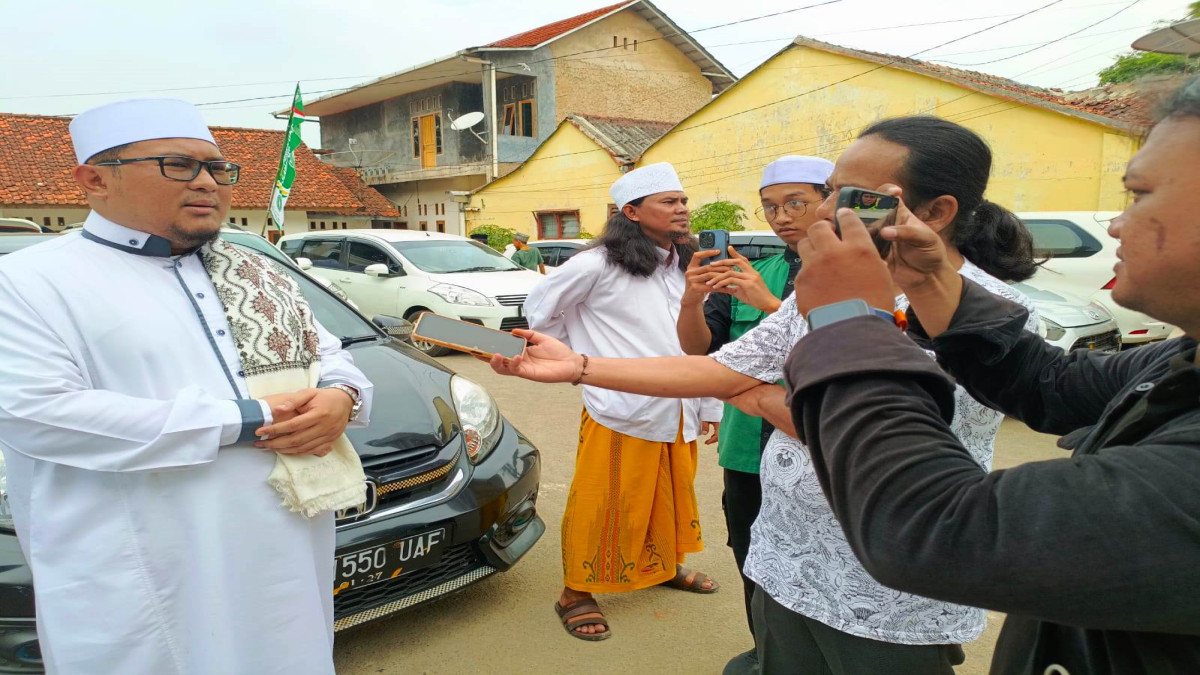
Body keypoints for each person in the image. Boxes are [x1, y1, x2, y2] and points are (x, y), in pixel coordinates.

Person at [492, 117, 1039, 673]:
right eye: (826, 194)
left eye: (846, 198)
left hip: (884, 576)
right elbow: (720, 365)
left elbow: (863, 429)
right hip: (786, 558)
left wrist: (749, 396)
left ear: (937, 212)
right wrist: (578, 365)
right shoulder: (823, 287)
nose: (821, 214)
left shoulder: (989, 315)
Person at [777, 78, 1200, 675]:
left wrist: (848, 322)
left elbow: (935, 526)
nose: (1115, 226)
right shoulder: (1180, 363)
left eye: (1140, 194)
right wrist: (926, 282)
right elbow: (1052, 385)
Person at [0, 98, 374, 674]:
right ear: (94, 179)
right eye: (178, 165)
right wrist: (244, 419)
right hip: (145, 561)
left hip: (286, 551)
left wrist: (341, 398)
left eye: (218, 169)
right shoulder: (27, 282)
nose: (208, 183)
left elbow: (330, 355)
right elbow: (37, 413)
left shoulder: (255, 272)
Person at [523, 162, 723, 641]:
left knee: (670, 497)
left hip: (679, 406)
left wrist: (709, 403)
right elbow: (539, 311)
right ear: (631, 212)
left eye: (683, 200)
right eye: (669, 202)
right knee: (605, 501)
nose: (682, 209)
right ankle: (576, 591)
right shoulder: (597, 263)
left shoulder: (685, 262)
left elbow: (698, 342)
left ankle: (662, 565)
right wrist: (578, 365)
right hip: (621, 406)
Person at [675, 155, 833, 674]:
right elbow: (700, 353)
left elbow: (844, 347)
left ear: (832, 201)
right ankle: (766, 649)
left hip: (821, 446)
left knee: (822, 556)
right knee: (751, 551)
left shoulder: (852, 277)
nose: (781, 217)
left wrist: (771, 306)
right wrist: (692, 302)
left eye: (796, 203)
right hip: (747, 445)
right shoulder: (752, 270)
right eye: (770, 206)